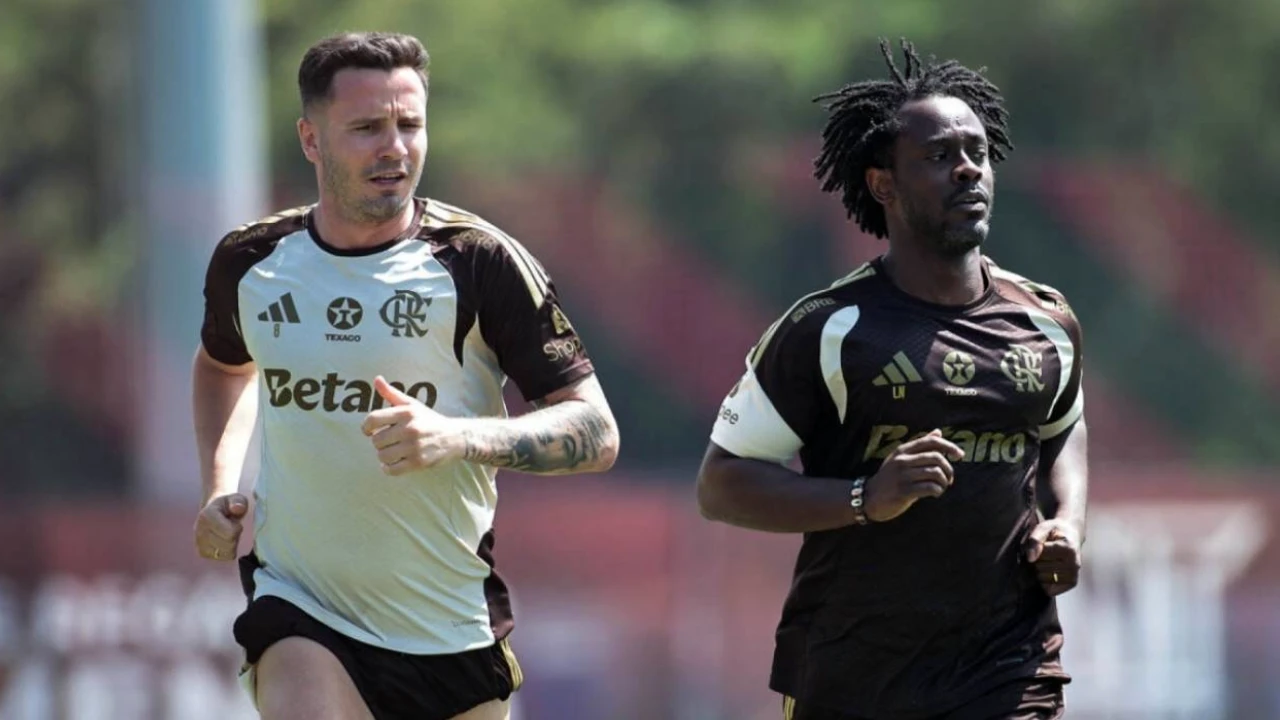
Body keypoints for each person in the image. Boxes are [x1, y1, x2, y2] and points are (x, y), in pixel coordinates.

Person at [191, 31, 619, 720]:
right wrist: (218, 487)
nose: (394, 147)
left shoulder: (480, 262)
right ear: (310, 139)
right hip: (300, 603)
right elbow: (222, 365)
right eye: (366, 128)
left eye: (409, 125)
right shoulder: (252, 262)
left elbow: (596, 431)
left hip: (450, 630)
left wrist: (457, 439)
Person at [696, 38, 1087, 720]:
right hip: (853, 679)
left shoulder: (1045, 321)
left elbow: (1063, 430)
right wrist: (863, 497)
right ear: (884, 185)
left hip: (1009, 668)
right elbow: (722, 484)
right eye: (940, 157)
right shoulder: (828, 330)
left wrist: (1068, 526)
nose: (968, 171)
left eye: (977, 154)